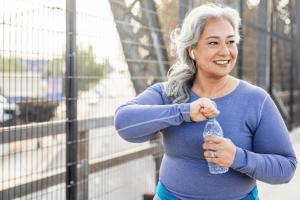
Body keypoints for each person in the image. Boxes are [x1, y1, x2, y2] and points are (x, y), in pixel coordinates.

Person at [114, 3, 297, 200]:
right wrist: (183, 112)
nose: (225, 51)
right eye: (213, 43)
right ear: (192, 50)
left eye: (231, 41)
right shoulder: (170, 93)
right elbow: (123, 123)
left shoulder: (256, 100)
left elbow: (286, 168)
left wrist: (238, 157)